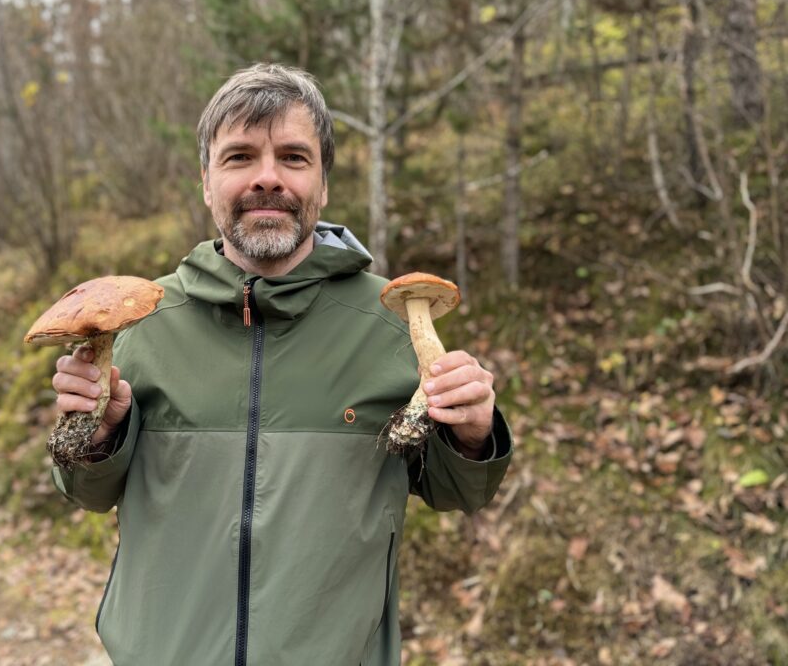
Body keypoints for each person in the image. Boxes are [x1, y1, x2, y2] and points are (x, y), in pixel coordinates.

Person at [50, 63, 513, 666]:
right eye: (240, 156)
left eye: (293, 157)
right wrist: (96, 438)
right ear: (206, 181)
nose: (267, 177)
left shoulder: (391, 323)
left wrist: (473, 437)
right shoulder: (140, 321)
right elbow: (87, 493)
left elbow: (456, 493)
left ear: (323, 183)